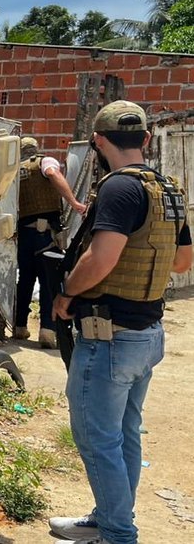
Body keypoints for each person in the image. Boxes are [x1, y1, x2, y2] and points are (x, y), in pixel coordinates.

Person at [49, 101, 192, 544]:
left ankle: (117, 534)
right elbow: (184, 263)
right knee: (124, 433)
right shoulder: (166, 188)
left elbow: (101, 257)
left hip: (109, 336)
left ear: (98, 141)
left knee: (97, 439)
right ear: (146, 139)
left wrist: (66, 293)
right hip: (146, 333)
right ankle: (106, 518)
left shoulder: (118, 189)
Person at [14, 136, 87, 350]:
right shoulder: (45, 162)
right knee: (48, 281)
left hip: (24, 236)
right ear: (36, 150)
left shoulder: (15, 171)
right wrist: (73, 202)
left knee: (25, 280)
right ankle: (47, 330)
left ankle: (19, 326)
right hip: (45, 234)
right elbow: (53, 174)